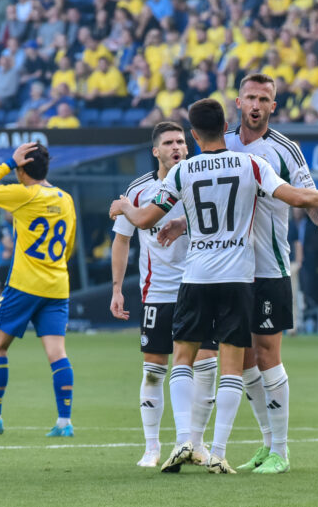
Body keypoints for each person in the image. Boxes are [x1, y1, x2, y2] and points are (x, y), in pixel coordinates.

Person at [109, 98, 318, 474]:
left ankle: (183, 443)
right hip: (239, 278)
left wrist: (124, 207)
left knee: (182, 360)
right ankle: (219, 451)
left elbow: (144, 220)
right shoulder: (251, 164)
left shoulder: (183, 171)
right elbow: (298, 197)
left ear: (193, 135)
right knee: (231, 366)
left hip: (196, 277)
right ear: (225, 124)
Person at [158, 73, 318, 473]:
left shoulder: (284, 150)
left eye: (265, 98)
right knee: (242, 359)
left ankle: (281, 450)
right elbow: (218, 204)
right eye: (250, 97)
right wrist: (182, 224)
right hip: (229, 271)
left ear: (274, 105)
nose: (257, 104)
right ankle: (261, 442)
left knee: (267, 354)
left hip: (268, 265)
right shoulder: (225, 146)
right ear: (237, 104)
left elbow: (304, 193)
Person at [110, 121, 219, 468]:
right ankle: (152, 447)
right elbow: (122, 239)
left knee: (206, 367)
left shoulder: (202, 180)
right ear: (155, 151)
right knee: (154, 371)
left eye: (182, 141)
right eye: (169, 142)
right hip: (158, 292)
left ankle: (194, 444)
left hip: (200, 287)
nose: (178, 147)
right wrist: (116, 289)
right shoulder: (139, 189)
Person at [0, 142, 77, 437]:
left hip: (24, 285)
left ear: (21, 169)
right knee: (57, 352)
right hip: (57, 285)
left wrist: (6, 162)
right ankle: (64, 422)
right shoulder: (65, 199)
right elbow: (69, 247)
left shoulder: (24, 194)